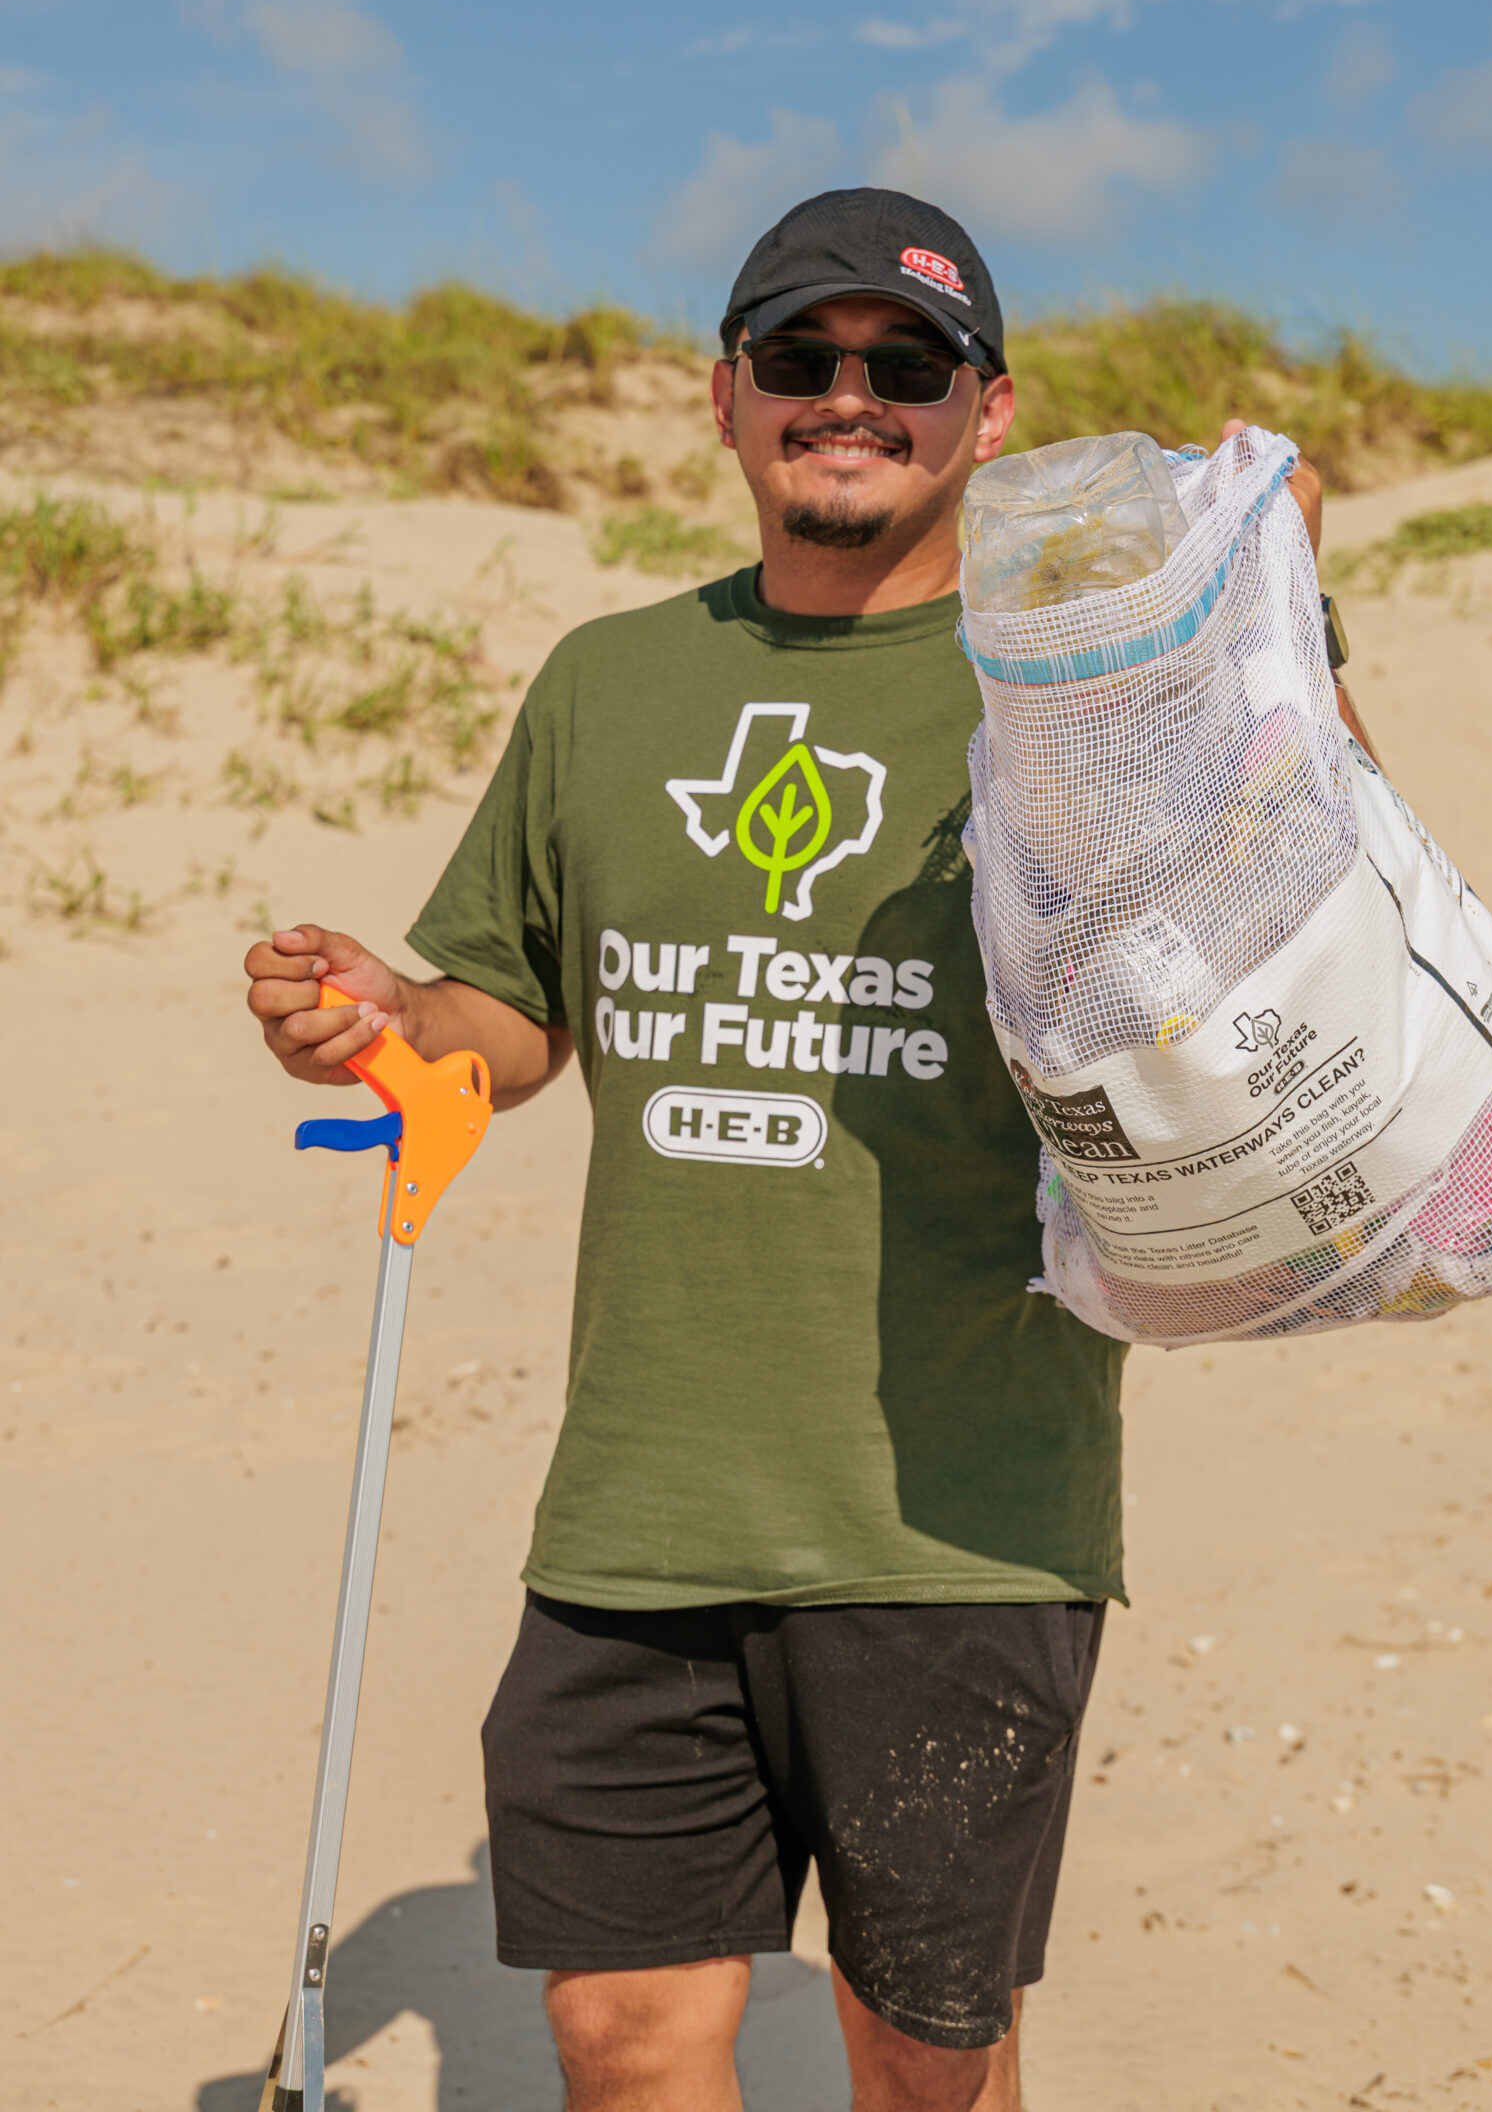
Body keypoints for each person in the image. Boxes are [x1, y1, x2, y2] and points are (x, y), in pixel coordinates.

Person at [244, 188, 1348, 2112]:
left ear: (985, 412)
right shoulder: (608, 682)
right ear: (728, 399)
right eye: (801, 360)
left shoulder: (1071, 687)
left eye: (905, 365)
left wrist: (1270, 629)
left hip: (958, 1514)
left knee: (927, 2054)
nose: (852, 398)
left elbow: (1298, 917)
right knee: (622, 2033)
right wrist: (387, 1014)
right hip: (640, 1511)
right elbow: (513, 1015)